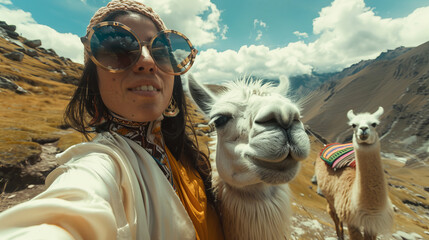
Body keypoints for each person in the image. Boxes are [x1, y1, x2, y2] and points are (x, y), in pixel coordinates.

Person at [0, 0, 224, 239]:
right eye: (118, 50)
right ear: (94, 79)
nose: (147, 61)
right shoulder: (101, 166)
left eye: (160, 51)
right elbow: (71, 210)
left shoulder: (189, 159)